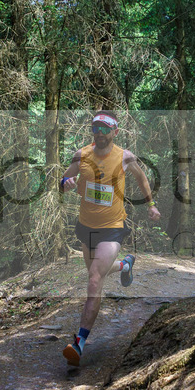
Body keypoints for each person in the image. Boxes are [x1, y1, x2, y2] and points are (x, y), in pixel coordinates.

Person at [58, 110, 161, 366]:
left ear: (115, 132)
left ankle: (79, 343)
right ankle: (125, 265)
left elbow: (141, 178)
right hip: (86, 227)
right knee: (96, 273)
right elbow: (63, 179)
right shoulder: (82, 154)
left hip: (113, 227)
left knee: (94, 279)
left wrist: (151, 205)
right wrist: (65, 183)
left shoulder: (125, 157)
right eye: (96, 128)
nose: (100, 133)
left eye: (105, 129)